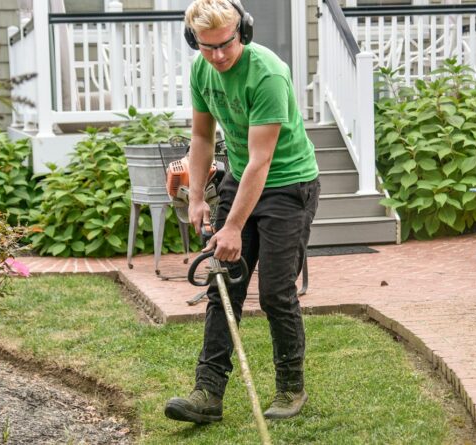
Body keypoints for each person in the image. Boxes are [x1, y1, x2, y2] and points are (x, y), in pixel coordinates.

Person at [163, 0, 320, 424]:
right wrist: (197, 197)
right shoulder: (202, 69)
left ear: (243, 32)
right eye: (205, 46)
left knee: (274, 291)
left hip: (287, 183)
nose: (216, 56)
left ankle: (290, 387)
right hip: (239, 178)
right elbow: (200, 135)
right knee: (222, 285)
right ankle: (207, 394)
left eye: (224, 45)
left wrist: (232, 227)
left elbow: (261, 162)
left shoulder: (266, 73)